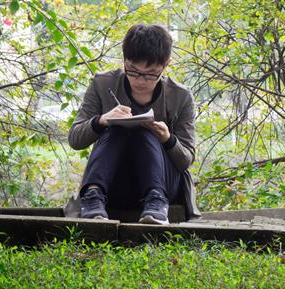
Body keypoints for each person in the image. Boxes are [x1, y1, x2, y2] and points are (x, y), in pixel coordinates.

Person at [68, 24, 200, 224]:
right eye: (133, 71)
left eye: (151, 74)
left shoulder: (180, 97)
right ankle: (93, 197)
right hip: (114, 182)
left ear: (166, 65)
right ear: (124, 61)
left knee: (144, 133)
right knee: (115, 130)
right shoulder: (103, 84)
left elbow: (186, 160)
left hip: (164, 185)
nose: (140, 81)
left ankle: (156, 201)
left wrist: (167, 139)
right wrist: (102, 120)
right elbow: (75, 139)